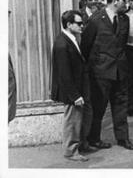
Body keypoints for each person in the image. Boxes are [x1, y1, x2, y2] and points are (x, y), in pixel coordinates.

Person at [81, 0, 133, 150]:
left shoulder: (124, 19)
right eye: (123, 0)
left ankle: (122, 138)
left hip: (120, 70)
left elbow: (122, 44)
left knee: (121, 104)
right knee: (99, 106)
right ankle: (94, 138)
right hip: (101, 71)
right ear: (115, 1)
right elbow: (86, 46)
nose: (125, 3)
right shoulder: (97, 19)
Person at [51, 10, 93, 161]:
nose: (82, 26)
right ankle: (70, 151)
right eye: (79, 23)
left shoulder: (71, 38)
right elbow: (64, 73)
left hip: (80, 85)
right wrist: (74, 95)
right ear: (69, 24)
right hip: (73, 90)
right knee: (72, 119)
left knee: (82, 116)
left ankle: (82, 144)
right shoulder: (62, 43)